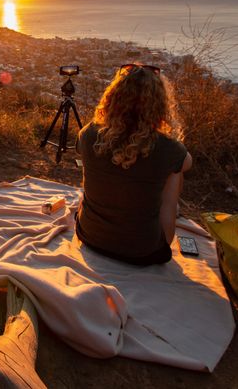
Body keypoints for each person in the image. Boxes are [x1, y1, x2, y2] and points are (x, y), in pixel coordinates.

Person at [75, 63, 192, 265]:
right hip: (144, 251)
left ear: (114, 97)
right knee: (176, 172)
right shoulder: (170, 149)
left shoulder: (89, 134)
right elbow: (187, 163)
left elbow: (79, 149)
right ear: (159, 104)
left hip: (90, 237)